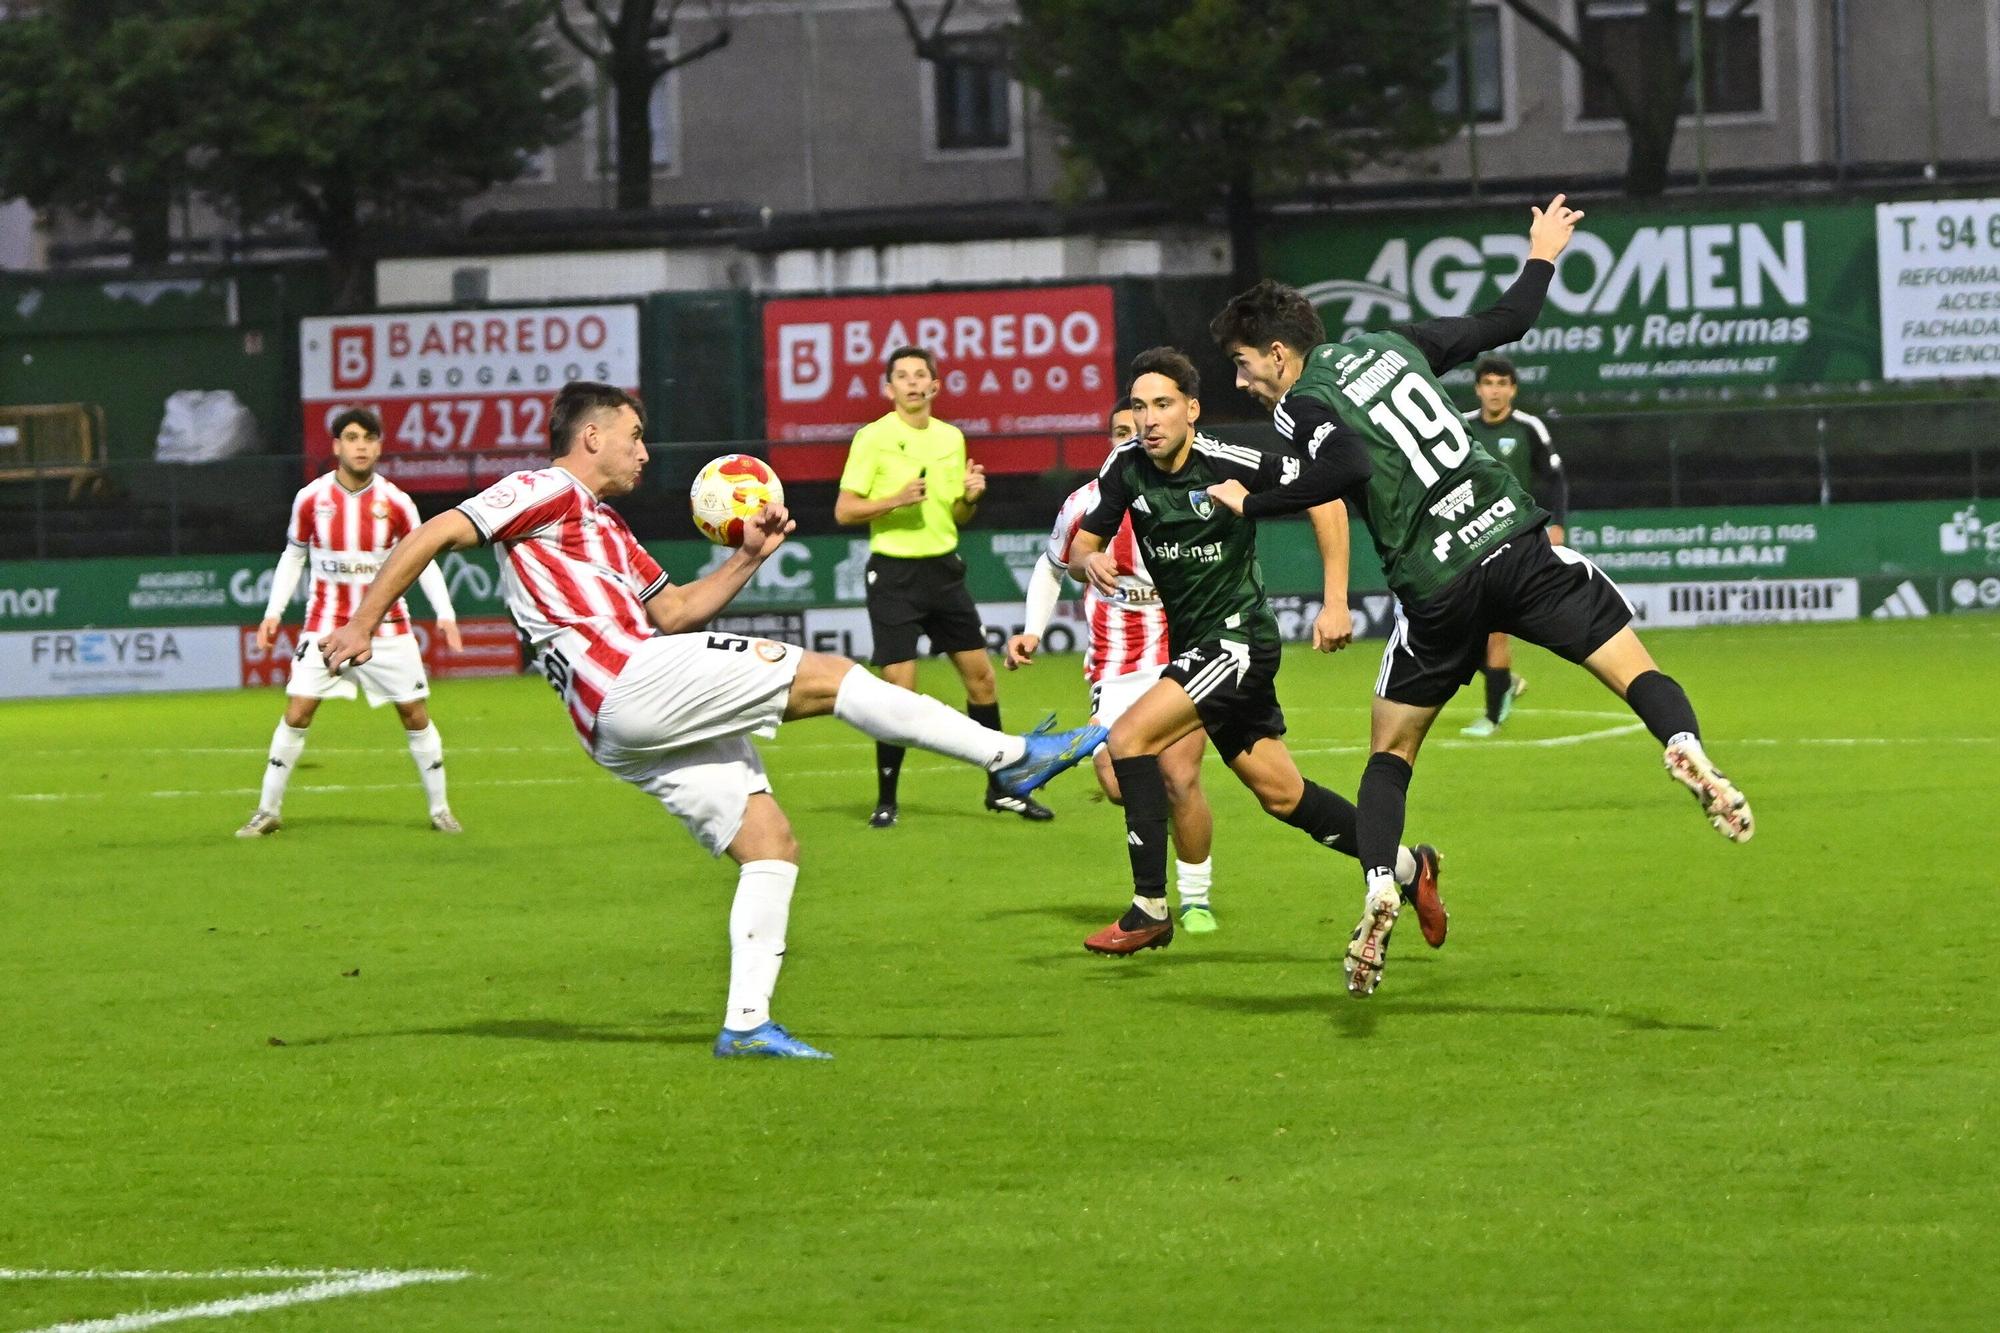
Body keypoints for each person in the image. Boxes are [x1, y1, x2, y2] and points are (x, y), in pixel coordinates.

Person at [318, 382, 1104, 1061]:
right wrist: (361, 622)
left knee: (769, 842)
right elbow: (436, 531)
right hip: (624, 678)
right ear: (591, 438)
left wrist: (749, 556)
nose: (645, 452)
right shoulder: (542, 488)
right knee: (831, 676)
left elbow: (675, 610)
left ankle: (747, 1023)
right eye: (634, 437)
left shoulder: (607, 528)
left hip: (615, 718)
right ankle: (1009, 755)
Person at [1205, 194, 1753, 999]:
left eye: (1244, 362)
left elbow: (1348, 466)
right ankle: (1682, 745)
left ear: (1279, 352)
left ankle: (1380, 882)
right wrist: (1543, 251)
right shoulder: (1396, 344)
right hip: (1514, 544)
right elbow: (1510, 319)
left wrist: (1251, 502)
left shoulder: (1303, 404)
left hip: (1438, 587)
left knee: (1390, 754)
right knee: (1635, 669)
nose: (1242, 379)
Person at [1067, 349, 1444, 958]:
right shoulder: (1125, 467)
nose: (1149, 419)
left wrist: (1335, 602)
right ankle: (1408, 866)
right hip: (1197, 648)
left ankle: (1149, 908)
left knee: (1129, 740)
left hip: (1238, 640)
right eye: (1139, 407)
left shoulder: (1230, 461)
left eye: (1163, 404)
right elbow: (1081, 548)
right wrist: (1091, 561)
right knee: (1283, 795)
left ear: (1192, 410)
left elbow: (1325, 498)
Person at [1005, 398, 1220, 932]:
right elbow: (1051, 565)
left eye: (1142, 427)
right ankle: (1162, 845)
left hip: (1182, 652)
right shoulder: (1085, 504)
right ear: (1111, 442)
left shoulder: (1189, 493)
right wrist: (1032, 630)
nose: (1135, 436)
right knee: (1119, 783)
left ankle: (1194, 899)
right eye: (1123, 431)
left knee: (1179, 776)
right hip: (1116, 664)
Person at [835, 345, 1048, 826]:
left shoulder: (951, 438)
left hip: (944, 572)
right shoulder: (872, 438)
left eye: (920, 375)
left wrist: (971, 498)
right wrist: (894, 499)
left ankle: (1000, 788)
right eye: (902, 376)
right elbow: (845, 510)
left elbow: (957, 515)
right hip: (894, 574)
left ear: (935, 385)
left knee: (982, 679)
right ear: (889, 389)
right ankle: (886, 800)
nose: (912, 383)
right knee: (898, 691)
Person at [235, 407, 464, 838]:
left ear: (379, 447)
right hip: (325, 628)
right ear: (337, 445)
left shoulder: (396, 502)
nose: (361, 446)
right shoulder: (311, 498)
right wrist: (272, 613)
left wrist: (445, 613)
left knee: (414, 715)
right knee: (297, 711)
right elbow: (294, 555)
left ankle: (441, 811)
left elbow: (423, 559)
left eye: (369, 439)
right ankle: (267, 811)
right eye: (353, 438)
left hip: (388, 628)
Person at [1456, 355, 1568, 736]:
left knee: (1495, 629)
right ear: (1478, 389)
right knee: (1450, 628)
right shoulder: (1462, 427)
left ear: (1513, 390)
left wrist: (1557, 523)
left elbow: (1555, 479)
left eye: (1502, 384)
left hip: (1512, 538)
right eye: (1488, 383)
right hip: (1467, 539)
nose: (1495, 391)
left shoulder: (1528, 428)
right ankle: (1503, 681)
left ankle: (1493, 716)